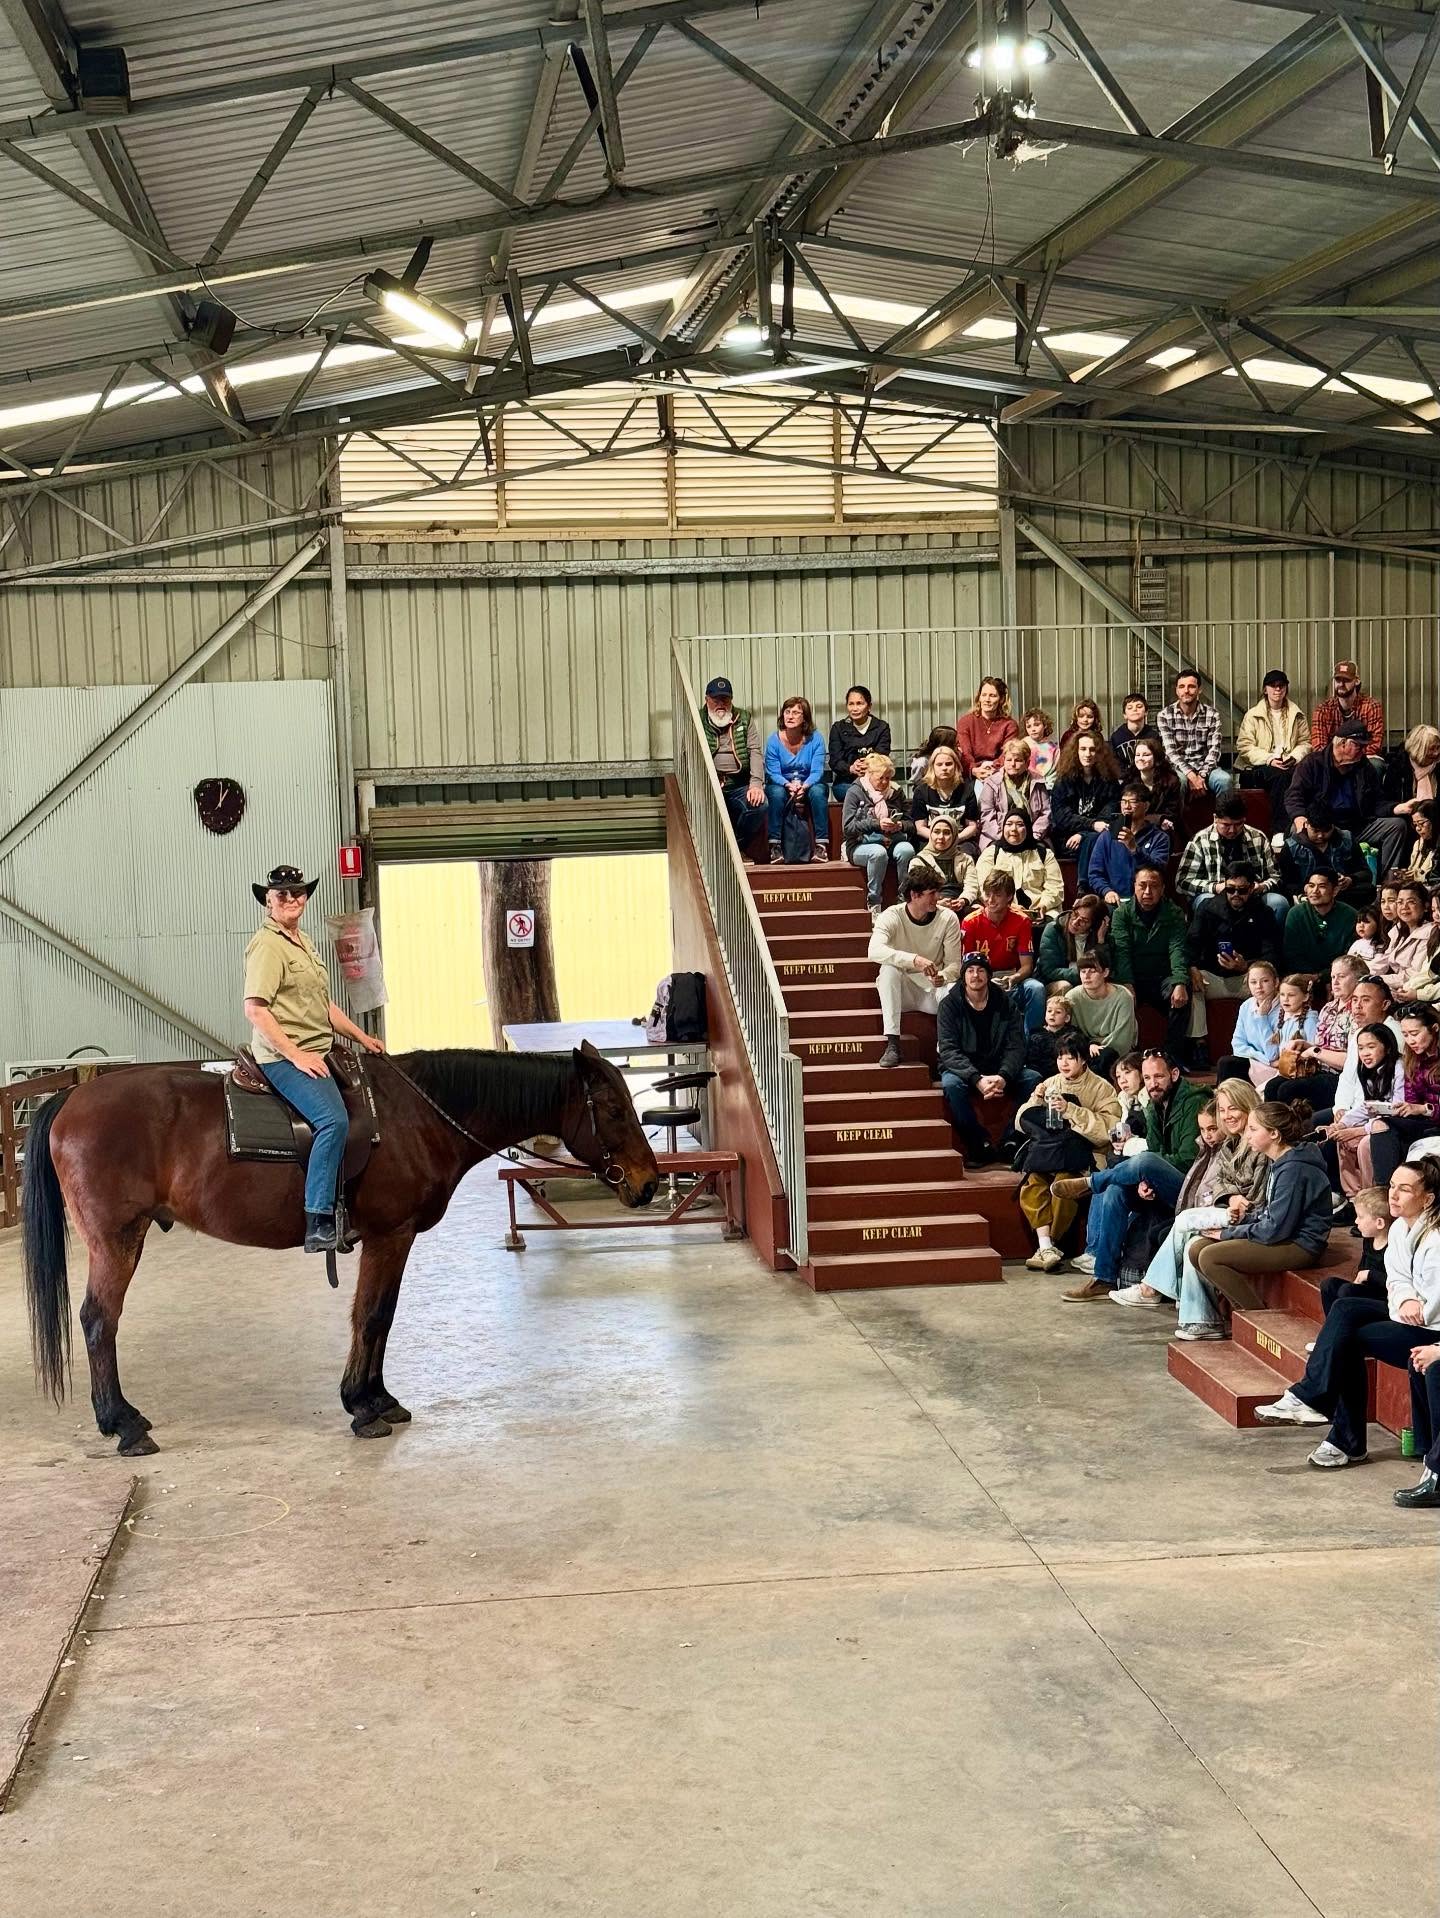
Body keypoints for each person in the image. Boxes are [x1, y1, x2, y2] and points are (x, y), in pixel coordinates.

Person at [1251, 1157, 1440, 1479]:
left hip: (1433, 1327)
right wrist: (1405, 1298)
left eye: (1405, 1189)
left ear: (1428, 1198)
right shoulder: (1400, 1231)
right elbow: (1396, 1279)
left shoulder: (1436, 1239)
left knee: (1346, 1339)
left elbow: (1432, 1304)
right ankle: (1311, 1400)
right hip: (1407, 1312)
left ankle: (1339, 1432)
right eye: (1392, 1185)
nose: (1393, 1195)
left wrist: (1413, 1305)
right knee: (1344, 1308)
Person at [242, 864, 385, 1254]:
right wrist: (294, 1054)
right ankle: (318, 1218)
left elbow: (323, 1006)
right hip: (281, 1055)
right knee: (332, 1120)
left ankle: (352, 1202)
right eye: (282, 894)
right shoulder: (268, 945)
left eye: (298, 892)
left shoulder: (302, 941)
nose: (292, 899)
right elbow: (255, 1009)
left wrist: (361, 1037)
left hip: (318, 1047)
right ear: (267, 901)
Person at [1053, 1049, 1207, 1300]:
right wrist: (1147, 1180)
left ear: (1175, 1074)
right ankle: (1103, 1279)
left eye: (1158, 1077)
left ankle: (1092, 1183)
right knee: (1115, 1192)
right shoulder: (1155, 1103)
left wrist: (1151, 1169)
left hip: (1192, 1187)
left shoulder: (1193, 1101)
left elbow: (1188, 1160)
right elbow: (1158, 1150)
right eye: (1147, 1078)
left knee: (1143, 1159)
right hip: (1164, 1181)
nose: (1152, 1084)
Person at [1111, 1079, 1265, 1310]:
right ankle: (1189, 1312)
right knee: (1119, 1195)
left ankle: (1153, 1290)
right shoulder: (1229, 1145)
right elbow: (1222, 1183)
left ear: (1248, 1106)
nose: (1227, 1116)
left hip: (1244, 1218)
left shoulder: (1257, 1145)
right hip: (1225, 1209)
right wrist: (1230, 1196)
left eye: (1233, 1108)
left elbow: (1252, 1199)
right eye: (1222, 1110)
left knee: (1182, 1219)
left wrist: (1231, 1200)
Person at [1182, 1102, 1331, 1332]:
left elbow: (1276, 1229)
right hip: (1281, 1234)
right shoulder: (1280, 1162)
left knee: (1211, 1257)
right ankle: (1238, 1314)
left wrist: (1228, 1233)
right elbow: (1268, 1212)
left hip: (1300, 1244)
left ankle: (1260, 1320)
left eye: (1253, 1129)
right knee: (1196, 1248)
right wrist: (1242, 1219)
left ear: (1274, 1134)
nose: (1247, 1135)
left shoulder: (1294, 1169)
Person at [1017, 1037, 1123, 1271]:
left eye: (1070, 1057)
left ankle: (1048, 1245)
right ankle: (1046, 1246)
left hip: (1084, 1154)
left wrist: (1071, 1110)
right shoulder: (1050, 1083)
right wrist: (1035, 1098)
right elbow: (1020, 1123)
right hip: (1049, 1151)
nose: (1064, 1063)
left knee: (1065, 1184)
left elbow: (1109, 1130)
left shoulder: (1101, 1087)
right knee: (1033, 1182)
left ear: (1083, 1059)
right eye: (1059, 1057)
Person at [937, 951, 1037, 1163]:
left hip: (998, 1067)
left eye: (981, 970)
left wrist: (1004, 1076)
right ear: (963, 976)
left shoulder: (1005, 1003)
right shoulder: (949, 1005)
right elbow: (948, 1051)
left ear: (989, 975)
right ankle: (977, 1143)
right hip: (964, 1070)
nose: (975, 975)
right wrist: (976, 1079)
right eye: (970, 971)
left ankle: (1012, 1139)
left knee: (1032, 1079)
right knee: (951, 1085)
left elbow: (1016, 1047)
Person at [870, 869, 962, 1069]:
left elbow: (955, 965)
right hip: (903, 990)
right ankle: (893, 1044)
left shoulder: (948, 918)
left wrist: (943, 976)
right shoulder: (892, 915)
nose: (938, 898)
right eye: (932, 893)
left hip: (932, 989)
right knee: (888, 970)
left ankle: (945, 1055)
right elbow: (874, 950)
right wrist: (914, 960)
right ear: (914, 895)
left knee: (954, 990)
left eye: (938, 892)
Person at [1187, 863, 1282, 1052]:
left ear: (1252, 887)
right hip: (1213, 977)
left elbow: (1272, 956)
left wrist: (1245, 965)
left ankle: (1268, 1042)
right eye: (1230, 889)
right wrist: (1192, 969)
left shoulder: (1264, 913)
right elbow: (1191, 945)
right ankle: (1199, 1045)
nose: (1235, 894)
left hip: (1246, 978)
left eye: (1242, 890)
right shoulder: (1207, 908)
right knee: (1189, 982)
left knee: (1273, 986)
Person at [1108, 864, 1192, 1061]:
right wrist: (1127, 983)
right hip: (1133, 978)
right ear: (1134, 887)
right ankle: (1125, 1057)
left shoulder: (1174, 913)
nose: (1147, 892)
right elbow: (1122, 951)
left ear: (1162, 889)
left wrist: (1179, 981)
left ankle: (1171, 1057)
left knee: (1180, 990)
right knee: (1120, 996)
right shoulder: (1122, 914)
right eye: (1142, 886)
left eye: (1154, 886)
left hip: (1161, 977)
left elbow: (1177, 949)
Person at [1177, 791, 1288, 931]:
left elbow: (1276, 877)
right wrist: (1215, 887)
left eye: (1238, 824)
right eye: (1226, 825)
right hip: (1216, 895)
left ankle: (1268, 948)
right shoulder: (1200, 840)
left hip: (1252, 897)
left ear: (1244, 819)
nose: (1232, 830)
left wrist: (1261, 887)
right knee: (1205, 902)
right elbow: (1182, 881)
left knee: (1279, 903)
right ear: (1215, 818)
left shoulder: (1258, 838)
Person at [1269, 952, 1365, 1109]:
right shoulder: (1328, 1008)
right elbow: (1319, 1046)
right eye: (1333, 977)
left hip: (1341, 1076)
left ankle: (1290, 1131)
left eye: (1341, 976)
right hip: (1318, 1070)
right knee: (1273, 1086)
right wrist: (1304, 1044)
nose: (1335, 982)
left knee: (1288, 1089)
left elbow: (1352, 1060)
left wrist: (1314, 1051)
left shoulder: (1358, 1011)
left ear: (1357, 979)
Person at [960, 871, 1045, 1033]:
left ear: (1009, 897)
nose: (990, 900)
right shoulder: (970, 922)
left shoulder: (1022, 921)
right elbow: (966, 967)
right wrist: (984, 981)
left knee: (1036, 989)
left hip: (1011, 978)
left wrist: (1014, 977)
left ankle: (1031, 1046)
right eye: (987, 894)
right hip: (979, 978)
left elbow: (1027, 966)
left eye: (997, 895)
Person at [1366, 1002, 1440, 1185]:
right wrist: (1403, 1108)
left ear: (1435, 1028)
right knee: (1380, 1124)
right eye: (1405, 1035)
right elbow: (1412, 1097)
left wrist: (1424, 1109)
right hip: (1424, 1121)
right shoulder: (1412, 1058)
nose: (1410, 1040)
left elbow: (1422, 1107)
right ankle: (1383, 1191)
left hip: (1434, 1118)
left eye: (1415, 1034)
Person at [1331, 1023, 1405, 1199]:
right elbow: (1368, 1106)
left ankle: (1372, 1199)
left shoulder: (1399, 1069)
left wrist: (1356, 1130)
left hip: (1399, 1127)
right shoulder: (1368, 1071)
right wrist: (1342, 1124)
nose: (1365, 1053)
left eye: (1371, 1047)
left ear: (1387, 1048)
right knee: (1342, 1140)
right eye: (1361, 1048)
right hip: (1378, 1123)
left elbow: (1396, 1112)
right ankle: (1354, 1198)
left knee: (1365, 1144)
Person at [699, 675, 766, 854]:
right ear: (706, 700)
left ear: (731, 700)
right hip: (709, 785)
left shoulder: (744, 717)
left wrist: (756, 784)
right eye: (715, 699)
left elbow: (755, 751)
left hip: (739, 783)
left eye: (725, 699)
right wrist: (706, 781)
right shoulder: (697, 720)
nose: (721, 704)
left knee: (760, 805)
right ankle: (717, 853)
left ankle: (735, 848)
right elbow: (688, 754)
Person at [842, 753, 915, 916]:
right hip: (861, 845)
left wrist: (899, 825)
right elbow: (848, 828)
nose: (884, 783)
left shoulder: (896, 792)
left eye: (888, 778)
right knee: (878, 853)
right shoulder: (855, 792)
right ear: (869, 775)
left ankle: (903, 898)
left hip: (893, 840)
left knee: (907, 850)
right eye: (880, 778)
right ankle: (874, 902)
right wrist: (876, 823)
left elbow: (912, 825)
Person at [1283, 719, 1381, 839]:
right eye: (1358, 745)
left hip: (1357, 826)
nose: (1363, 750)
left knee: (1396, 826)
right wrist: (1299, 817)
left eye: (1364, 746)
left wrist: (1395, 808)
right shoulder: (1312, 763)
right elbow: (1294, 795)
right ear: (1343, 743)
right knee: (1297, 831)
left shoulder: (1365, 767)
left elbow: (1377, 800)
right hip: (1322, 825)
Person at [1234, 668, 1310, 821]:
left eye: (1281, 685)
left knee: (1303, 775)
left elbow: (1305, 742)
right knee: (1280, 777)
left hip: (1289, 762)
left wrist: (1294, 757)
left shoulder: (1297, 714)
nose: (1277, 689)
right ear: (1265, 689)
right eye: (1273, 685)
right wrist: (1269, 759)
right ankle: (1279, 829)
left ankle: (1305, 825)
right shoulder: (1253, 715)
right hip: (1259, 765)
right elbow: (1244, 746)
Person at [1365, 722, 1440, 874]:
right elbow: (1382, 803)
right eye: (1432, 749)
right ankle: (1392, 876)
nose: (1437, 752)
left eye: (1438, 747)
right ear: (1419, 749)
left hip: (1436, 819)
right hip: (1409, 821)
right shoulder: (1398, 766)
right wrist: (1400, 807)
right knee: (1399, 826)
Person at [1048, 732, 1121, 887]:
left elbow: (1110, 814)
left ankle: (1084, 886)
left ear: (1099, 753)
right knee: (1093, 840)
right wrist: (1091, 825)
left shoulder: (1109, 781)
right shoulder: (1063, 781)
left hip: (1097, 835)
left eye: (1092, 749)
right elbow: (1062, 817)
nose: (1088, 754)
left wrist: (1083, 833)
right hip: (1068, 839)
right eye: (1083, 749)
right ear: (1076, 751)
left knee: (1094, 839)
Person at [764, 694, 829, 862]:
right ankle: (775, 846)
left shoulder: (816, 739)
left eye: (796, 712)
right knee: (776, 794)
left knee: (818, 792)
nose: (790, 716)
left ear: (805, 718)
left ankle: (822, 846)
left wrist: (804, 786)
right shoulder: (773, 740)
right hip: (781, 783)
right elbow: (773, 772)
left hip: (809, 783)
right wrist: (788, 785)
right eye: (787, 711)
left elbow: (817, 771)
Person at [1277, 799, 1376, 907]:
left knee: (1369, 890)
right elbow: (1286, 883)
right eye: (1315, 831)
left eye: (1326, 831)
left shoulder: (1347, 839)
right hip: (1309, 895)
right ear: (1306, 824)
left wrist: (1350, 879)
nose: (1320, 836)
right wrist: (1306, 888)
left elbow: (1366, 872)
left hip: (1340, 893)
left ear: (1333, 826)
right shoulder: (1292, 846)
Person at [1086, 782, 1171, 906]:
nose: (1127, 806)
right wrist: (1107, 891)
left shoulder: (1159, 837)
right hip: (1114, 901)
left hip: (1147, 902)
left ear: (1146, 806)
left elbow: (1157, 870)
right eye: (1123, 801)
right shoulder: (1107, 837)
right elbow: (1094, 873)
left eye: (1133, 802)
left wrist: (1134, 849)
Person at [970, 810, 1063, 920]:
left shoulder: (1044, 854)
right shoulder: (991, 853)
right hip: (1002, 909)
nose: (1013, 829)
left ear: (1028, 828)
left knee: (1054, 923)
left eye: (1019, 825)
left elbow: (1055, 887)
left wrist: (1043, 905)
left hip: (1039, 910)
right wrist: (1009, 906)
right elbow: (983, 887)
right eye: (1009, 824)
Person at [1158, 669, 1232, 799]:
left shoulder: (1212, 714)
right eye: (1182, 686)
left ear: (1199, 690)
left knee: (1224, 780)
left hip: (1206, 768)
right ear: (1176, 690)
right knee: (1178, 782)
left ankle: (1224, 819)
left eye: (1191, 686)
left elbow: (1214, 751)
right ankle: (1175, 820)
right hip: (1178, 769)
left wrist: (1201, 775)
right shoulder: (1165, 715)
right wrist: (1191, 775)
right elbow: (1170, 753)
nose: (1186, 690)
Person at [1064, 947, 1137, 1078]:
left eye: (1093, 971)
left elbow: (1122, 1040)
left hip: (1113, 1050)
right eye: (1083, 971)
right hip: (1086, 1049)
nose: (1086, 976)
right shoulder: (1072, 997)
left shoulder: (1123, 996)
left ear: (1105, 972)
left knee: (1106, 1057)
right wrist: (1089, 1046)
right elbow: (1072, 1034)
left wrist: (1097, 1046)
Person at [1213, 960, 1281, 1089]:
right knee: (1227, 1062)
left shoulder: (1283, 1008)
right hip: (1260, 1061)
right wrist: (1261, 1058)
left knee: (1228, 1064)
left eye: (1265, 981)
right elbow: (1237, 1045)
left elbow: (1273, 1053)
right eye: (1253, 982)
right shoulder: (1246, 1006)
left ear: (1276, 982)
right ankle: (1222, 1103)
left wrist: (1262, 1017)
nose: (1259, 986)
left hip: (1274, 1068)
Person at [1310, 658, 1386, 770]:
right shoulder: (1322, 710)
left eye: (1346, 680)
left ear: (1357, 681)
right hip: (1333, 761)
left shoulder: (1372, 707)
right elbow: (1319, 747)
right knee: (1314, 765)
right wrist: (1340, 758)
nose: (1341, 684)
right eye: (1338, 680)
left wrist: (1350, 757)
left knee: (1375, 765)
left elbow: (1374, 744)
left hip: (1363, 759)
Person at [977, 737, 1052, 848]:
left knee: (1041, 852)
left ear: (1027, 763)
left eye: (1018, 760)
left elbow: (1045, 813)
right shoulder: (992, 783)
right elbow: (986, 816)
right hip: (998, 836)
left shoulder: (1038, 782)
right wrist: (1004, 836)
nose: (1012, 764)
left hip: (1032, 835)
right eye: (1008, 760)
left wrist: (1034, 835)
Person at [1283, 867, 1358, 974]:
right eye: (1311, 886)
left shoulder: (1350, 915)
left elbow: (1349, 958)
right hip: (1303, 976)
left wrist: (1323, 976)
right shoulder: (1296, 914)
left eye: (1321, 886)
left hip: (1338, 975)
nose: (1314, 891)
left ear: (1335, 890)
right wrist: (1312, 977)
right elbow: (1292, 954)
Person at [828, 684, 892, 802]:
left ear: (869, 706)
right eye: (851, 704)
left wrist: (868, 766)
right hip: (846, 782)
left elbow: (883, 755)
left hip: (877, 780)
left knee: (893, 791)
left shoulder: (881, 727)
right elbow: (835, 760)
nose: (855, 708)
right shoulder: (838, 728)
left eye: (859, 703)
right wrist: (851, 768)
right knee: (853, 792)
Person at [906, 812, 975, 913]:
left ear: (954, 835)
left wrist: (963, 900)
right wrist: (937, 903)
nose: (941, 837)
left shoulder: (966, 859)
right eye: (936, 832)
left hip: (960, 905)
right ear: (931, 834)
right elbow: (919, 893)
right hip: (930, 906)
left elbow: (972, 885)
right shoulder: (919, 861)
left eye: (946, 833)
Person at [910, 743, 978, 846]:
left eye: (948, 764)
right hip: (930, 840)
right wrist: (940, 839)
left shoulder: (967, 790)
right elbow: (920, 828)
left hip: (960, 840)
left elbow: (972, 826)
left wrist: (955, 838)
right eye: (939, 764)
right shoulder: (921, 791)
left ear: (956, 766)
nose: (944, 768)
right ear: (932, 767)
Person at [1369, 878, 1432, 986]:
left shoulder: (1429, 932)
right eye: (1400, 902)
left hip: (1412, 989)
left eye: (1411, 902)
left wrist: (1378, 979)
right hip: (1395, 984)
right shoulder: (1398, 929)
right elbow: (1383, 961)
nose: (1404, 907)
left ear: (1425, 906)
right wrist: (1363, 976)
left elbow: (1413, 975)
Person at [1037, 892, 1109, 987]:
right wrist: (1083, 974)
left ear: (1094, 925)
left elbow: (1105, 970)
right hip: (1055, 982)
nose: (1075, 922)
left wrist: (1100, 943)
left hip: (1089, 983)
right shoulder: (1054, 929)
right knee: (1065, 986)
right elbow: (1049, 970)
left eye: (1084, 921)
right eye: (1075, 914)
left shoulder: (1100, 934)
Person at [955, 675, 1018, 778]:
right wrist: (974, 770)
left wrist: (993, 768)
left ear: (1001, 699)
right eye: (984, 695)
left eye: (992, 695)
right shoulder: (965, 721)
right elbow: (965, 753)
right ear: (979, 697)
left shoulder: (1010, 725)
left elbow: (1007, 754)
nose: (987, 699)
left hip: (999, 772)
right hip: (970, 773)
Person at [1128, 736, 1183, 838]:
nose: (1140, 758)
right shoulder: (1129, 780)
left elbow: (1171, 813)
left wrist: (1157, 820)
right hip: (1134, 827)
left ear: (1156, 757)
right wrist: (1157, 818)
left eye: (1146, 755)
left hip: (1161, 829)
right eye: (1137, 755)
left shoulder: (1171, 782)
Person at [1026, 986, 1079, 1082]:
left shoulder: (1072, 1033)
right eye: (1049, 1011)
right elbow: (1032, 1060)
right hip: (1042, 1074)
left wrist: (1093, 1044)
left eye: (1058, 1012)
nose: (1052, 1014)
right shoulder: (1036, 1034)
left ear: (1067, 1018)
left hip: (1065, 1073)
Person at [1109, 692, 1162, 770]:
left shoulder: (1153, 736)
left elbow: (1158, 761)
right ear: (1124, 715)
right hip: (1124, 779)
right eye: (1130, 708)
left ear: (1146, 712)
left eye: (1139, 706)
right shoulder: (1116, 737)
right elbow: (1114, 763)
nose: (1134, 709)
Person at [1020, 707, 1058, 782]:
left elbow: (1055, 771)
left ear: (1045, 725)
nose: (1033, 729)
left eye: (1036, 725)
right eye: (1029, 726)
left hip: (1047, 786)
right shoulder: (1022, 744)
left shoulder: (1053, 748)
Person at [1349, 901, 1384, 965]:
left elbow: (1378, 967)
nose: (1361, 925)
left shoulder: (1380, 946)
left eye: (1366, 922)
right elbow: (1347, 962)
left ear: (1378, 924)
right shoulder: (1356, 943)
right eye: (1358, 922)